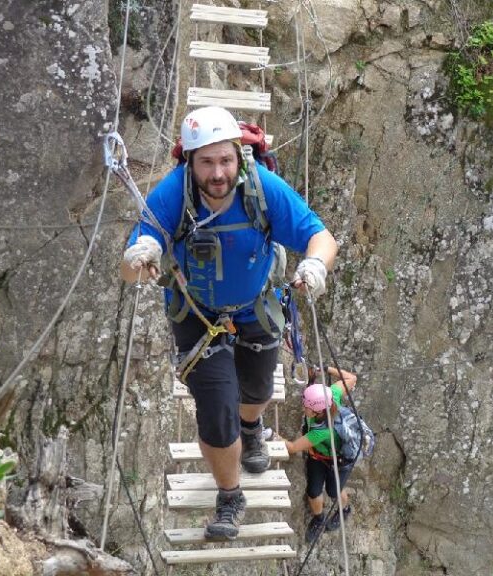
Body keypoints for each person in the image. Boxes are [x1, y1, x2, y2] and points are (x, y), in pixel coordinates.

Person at [120, 106, 337, 540]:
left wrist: (315, 265)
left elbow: (320, 236)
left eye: (225, 160)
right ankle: (230, 495)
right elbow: (130, 270)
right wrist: (141, 255)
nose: (218, 173)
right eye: (207, 162)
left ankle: (252, 426)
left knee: (256, 391)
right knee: (217, 409)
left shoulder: (262, 188)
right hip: (197, 316)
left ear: (239, 156)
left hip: (255, 307)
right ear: (190, 162)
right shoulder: (172, 195)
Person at [282, 367, 357, 543]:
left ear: (318, 411)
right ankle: (319, 518)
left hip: (339, 461)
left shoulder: (321, 432)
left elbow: (292, 447)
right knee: (314, 491)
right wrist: (325, 369)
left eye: (307, 406)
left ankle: (344, 510)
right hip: (318, 456)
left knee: (334, 490)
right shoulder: (332, 395)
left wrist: (272, 435)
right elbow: (351, 378)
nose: (304, 407)